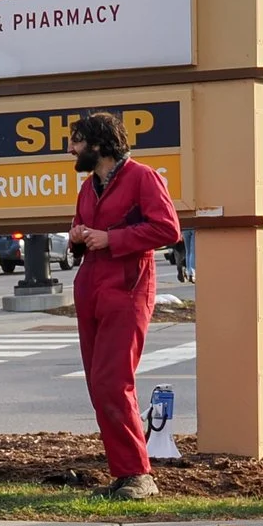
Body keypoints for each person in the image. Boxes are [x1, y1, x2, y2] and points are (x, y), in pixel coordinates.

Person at [66, 111, 184, 499]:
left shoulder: (143, 177)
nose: (72, 149)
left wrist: (110, 238)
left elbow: (168, 229)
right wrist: (79, 236)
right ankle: (123, 473)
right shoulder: (89, 186)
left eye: (77, 141)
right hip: (92, 288)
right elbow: (83, 231)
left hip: (128, 287)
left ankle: (138, 474)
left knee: (113, 382)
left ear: (99, 143)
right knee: (98, 385)